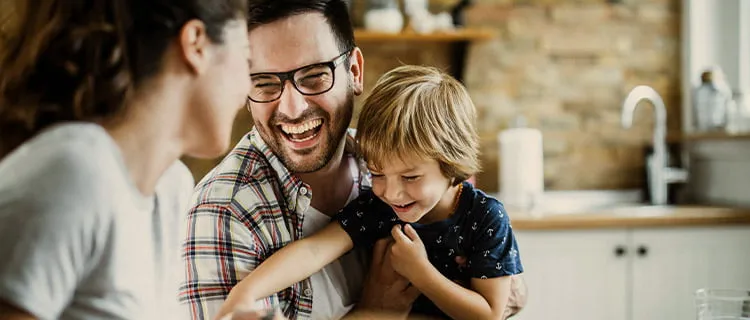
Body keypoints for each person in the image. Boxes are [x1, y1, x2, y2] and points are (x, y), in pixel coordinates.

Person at [180, 1, 527, 320]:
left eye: (314, 75)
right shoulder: (226, 211)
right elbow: (314, 250)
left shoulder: (385, 160)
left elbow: (499, 304)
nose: (292, 108)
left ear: (355, 71)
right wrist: (375, 312)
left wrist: (445, 275)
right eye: (265, 83)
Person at [0, 0, 250, 319]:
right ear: (196, 44)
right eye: (246, 58)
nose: (246, 90)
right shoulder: (76, 172)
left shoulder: (170, 189)